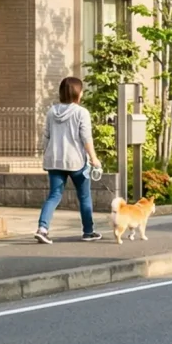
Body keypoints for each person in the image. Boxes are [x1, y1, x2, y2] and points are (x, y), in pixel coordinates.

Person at [36, 76, 102, 243]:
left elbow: (46, 136)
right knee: (84, 196)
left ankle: (42, 229)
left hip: (54, 160)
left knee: (54, 195)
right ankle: (88, 231)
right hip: (76, 161)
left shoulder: (52, 111)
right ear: (78, 93)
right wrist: (94, 158)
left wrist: (46, 153)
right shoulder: (82, 113)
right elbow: (86, 138)